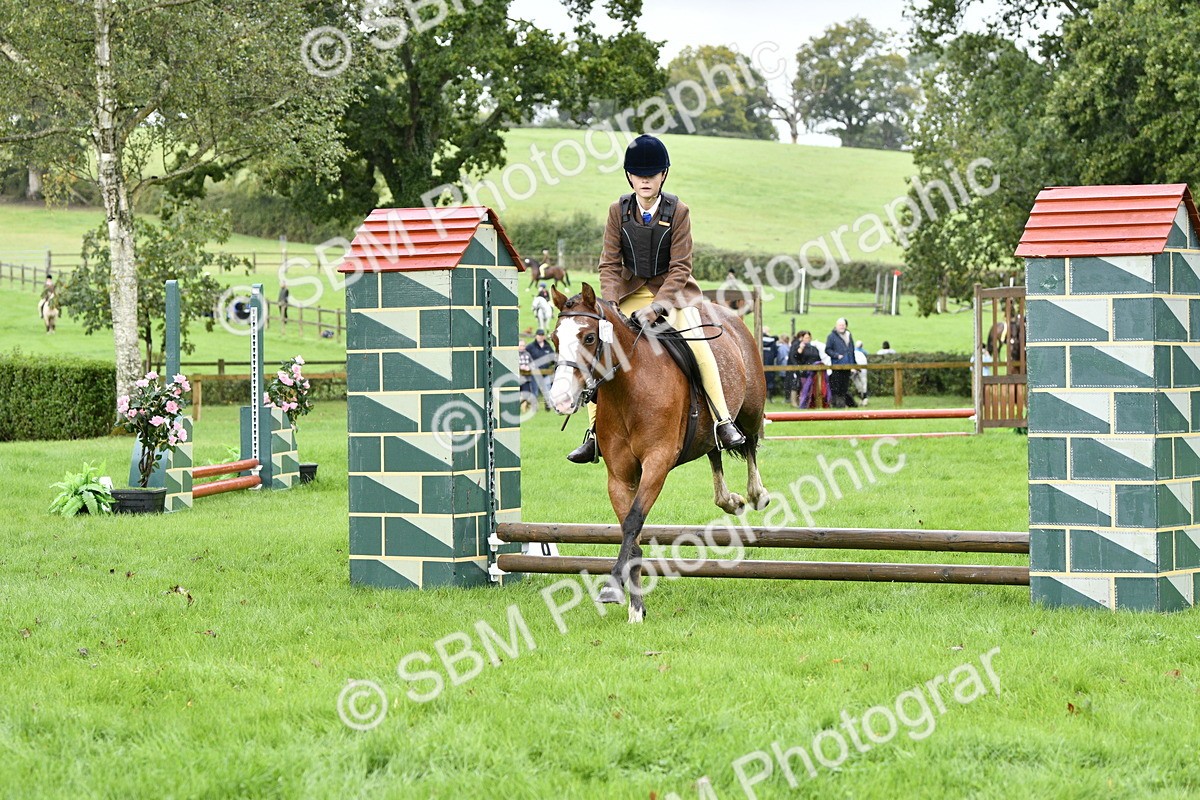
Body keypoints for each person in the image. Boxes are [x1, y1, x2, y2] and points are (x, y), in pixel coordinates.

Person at [566, 133, 747, 463]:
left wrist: (659, 306)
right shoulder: (616, 211)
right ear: (629, 176)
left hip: (673, 294)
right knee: (599, 346)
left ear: (663, 175)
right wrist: (609, 305)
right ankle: (594, 433)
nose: (644, 180)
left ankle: (722, 420)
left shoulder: (679, 210)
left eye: (651, 175)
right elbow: (608, 263)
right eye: (638, 175)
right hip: (627, 294)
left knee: (698, 345)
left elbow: (681, 266)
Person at [825, 317, 856, 408]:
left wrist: (853, 365)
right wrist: (837, 356)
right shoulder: (831, 336)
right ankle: (838, 404)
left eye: (843, 325)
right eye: (840, 325)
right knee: (837, 385)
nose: (842, 327)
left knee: (844, 386)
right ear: (836, 326)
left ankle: (842, 403)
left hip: (847, 365)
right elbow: (827, 349)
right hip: (837, 365)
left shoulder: (849, 335)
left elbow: (851, 351)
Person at [526, 328, 556, 411]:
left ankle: (548, 405)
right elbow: (525, 356)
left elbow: (553, 356)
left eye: (542, 335)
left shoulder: (547, 346)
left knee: (548, 389)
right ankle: (534, 407)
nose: (541, 337)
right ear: (536, 336)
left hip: (546, 372)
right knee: (534, 390)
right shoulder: (530, 347)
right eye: (539, 335)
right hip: (535, 373)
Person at [789, 331, 822, 408]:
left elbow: (818, 359)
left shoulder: (814, 348)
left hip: (814, 372)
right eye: (805, 337)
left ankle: (812, 404)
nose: (807, 339)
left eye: (808, 337)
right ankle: (800, 403)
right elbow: (796, 357)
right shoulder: (800, 347)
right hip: (804, 372)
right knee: (803, 388)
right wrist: (800, 350)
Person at [761, 327, 780, 400]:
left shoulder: (757, 340)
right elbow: (775, 353)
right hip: (770, 363)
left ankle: (762, 398)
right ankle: (770, 398)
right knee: (770, 380)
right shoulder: (773, 342)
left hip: (760, 364)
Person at [517, 341, 536, 411]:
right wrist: (520, 367)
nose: (522, 347)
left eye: (523, 346)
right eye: (521, 345)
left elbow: (533, 364)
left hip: (526, 379)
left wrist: (528, 367)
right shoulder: (515, 354)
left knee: (526, 394)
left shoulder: (527, 354)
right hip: (517, 379)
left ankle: (524, 408)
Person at [852, 340, 869, 407]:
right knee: (858, 381)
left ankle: (864, 397)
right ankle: (863, 397)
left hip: (859, 362)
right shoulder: (863, 351)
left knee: (862, 380)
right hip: (855, 362)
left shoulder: (860, 353)